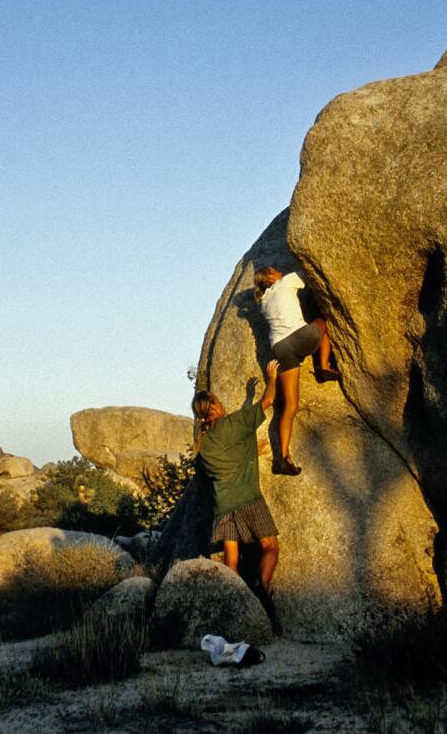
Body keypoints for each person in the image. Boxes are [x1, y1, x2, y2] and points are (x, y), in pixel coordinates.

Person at [193, 360, 283, 632]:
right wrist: (272, 377)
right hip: (248, 499)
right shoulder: (234, 423)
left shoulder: (202, 445)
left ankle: (234, 611)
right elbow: (268, 400)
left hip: (223, 507)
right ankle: (261, 590)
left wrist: (246, 400)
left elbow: (206, 480)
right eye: (218, 402)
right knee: (270, 547)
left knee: (231, 562)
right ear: (215, 407)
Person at [253, 266, 340, 476]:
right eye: (275, 271)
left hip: (280, 348)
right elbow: (309, 269)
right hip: (301, 337)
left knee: (290, 405)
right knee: (324, 320)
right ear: (272, 277)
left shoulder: (263, 302)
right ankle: (323, 366)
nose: (280, 272)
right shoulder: (286, 282)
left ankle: (283, 458)